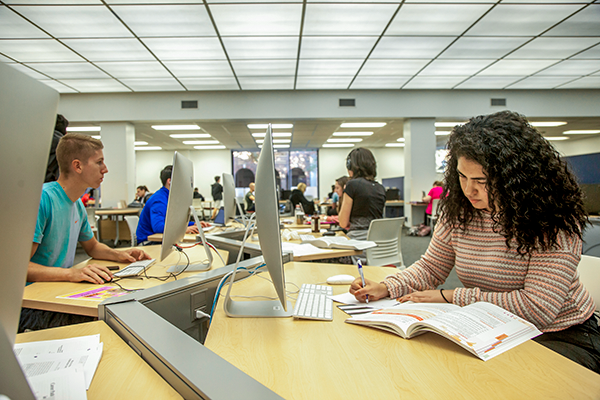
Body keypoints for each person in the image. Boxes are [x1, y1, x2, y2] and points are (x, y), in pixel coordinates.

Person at [350, 111, 600, 373]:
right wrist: (388, 287)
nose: (469, 190)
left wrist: (451, 297)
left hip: (559, 334)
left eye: (482, 181)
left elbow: (537, 309)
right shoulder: (459, 210)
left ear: (516, 178)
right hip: (491, 325)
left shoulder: (549, 220)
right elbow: (431, 268)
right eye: (462, 176)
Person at [20, 133, 152, 332]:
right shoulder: (43, 200)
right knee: (114, 324)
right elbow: (19, 269)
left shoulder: (76, 204)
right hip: (33, 305)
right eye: (99, 162)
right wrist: (72, 273)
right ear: (78, 166)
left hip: (57, 292)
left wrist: (121, 254)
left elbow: (92, 247)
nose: (105, 169)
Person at [136, 165, 209, 244]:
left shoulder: (168, 197)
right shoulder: (159, 200)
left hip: (160, 240)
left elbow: (171, 224)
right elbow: (158, 227)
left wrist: (193, 224)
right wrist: (183, 230)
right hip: (149, 242)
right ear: (170, 181)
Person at [338, 148, 386, 240]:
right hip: (379, 241)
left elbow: (343, 223)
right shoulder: (380, 188)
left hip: (358, 242)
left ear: (350, 165)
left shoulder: (352, 185)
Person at [44, 114, 68, 183]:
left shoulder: (35, 142)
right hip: (49, 187)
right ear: (65, 132)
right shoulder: (63, 146)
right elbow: (62, 175)